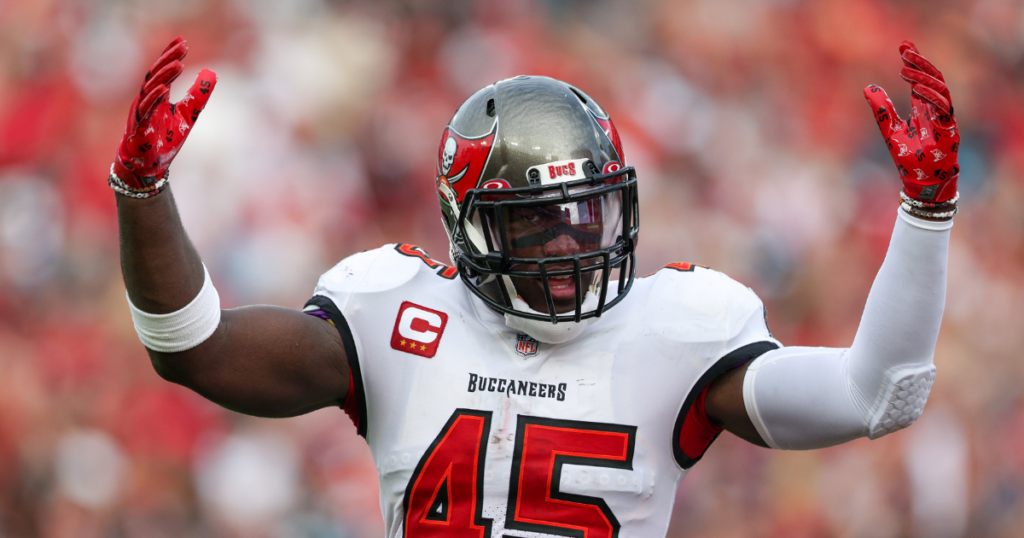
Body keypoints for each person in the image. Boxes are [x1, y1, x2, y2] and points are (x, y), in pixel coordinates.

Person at [113, 36, 959, 537]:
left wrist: (927, 215)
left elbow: (877, 393)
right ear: (470, 224)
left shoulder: (680, 330)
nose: (570, 242)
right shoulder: (395, 314)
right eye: (537, 221)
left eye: (586, 214)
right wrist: (144, 197)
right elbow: (192, 349)